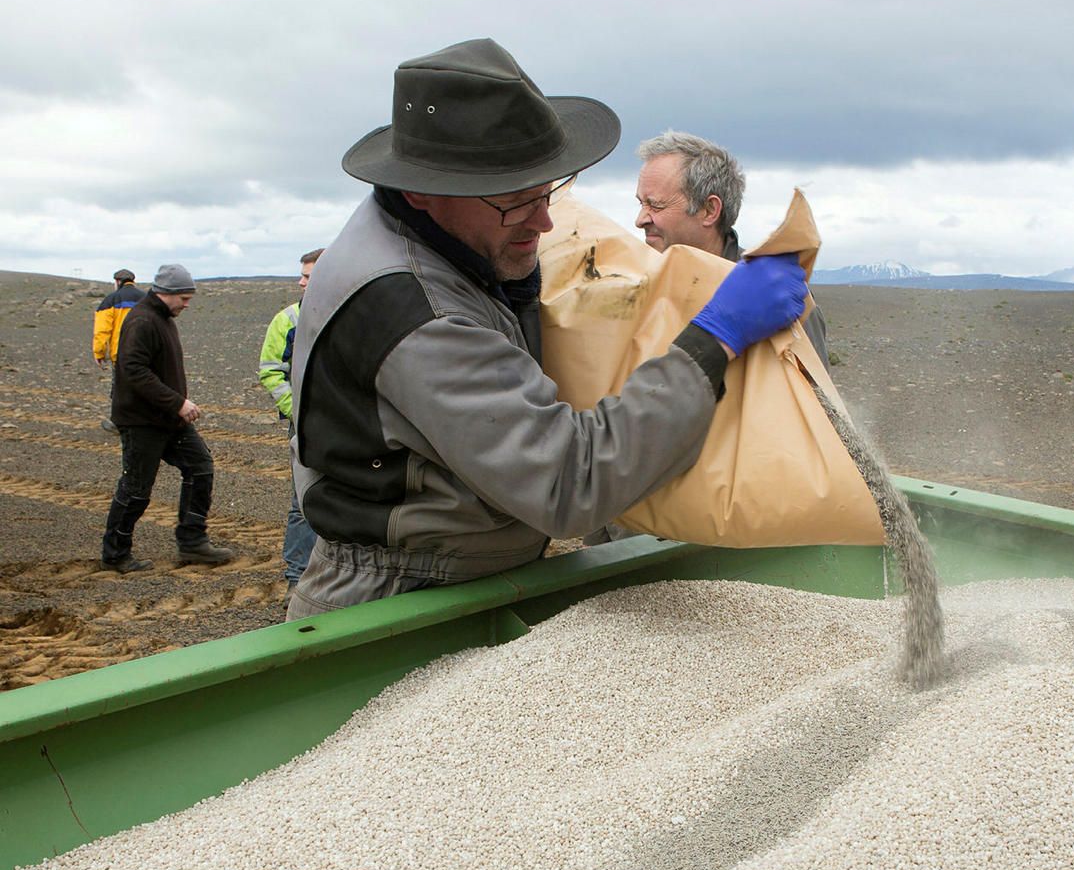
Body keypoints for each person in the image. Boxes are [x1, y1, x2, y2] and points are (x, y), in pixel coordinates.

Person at [286, 38, 808, 618]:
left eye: (547, 192)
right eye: (516, 202)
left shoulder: (449, 239)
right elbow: (569, 483)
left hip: (465, 577)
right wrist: (714, 339)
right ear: (424, 190)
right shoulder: (414, 310)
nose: (544, 221)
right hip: (398, 600)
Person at [634, 130, 830, 368]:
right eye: (641, 203)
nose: (640, 219)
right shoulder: (635, 285)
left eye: (655, 205)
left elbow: (815, 397)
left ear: (709, 210)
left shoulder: (775, 293)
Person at [100, 264, 235, 573]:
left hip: (167, 420)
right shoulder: (143, 320)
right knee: (135, 489)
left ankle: (192, 541)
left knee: (200, 468)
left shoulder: (162, 317)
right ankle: (115, 554)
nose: (187, 305)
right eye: (184, 299)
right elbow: (133, 370)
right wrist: (177, 403)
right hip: (142, 421)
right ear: (166, 293)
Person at [258, 248, 323, 596]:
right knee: (303, 501)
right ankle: (298, 579)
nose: (300, 282)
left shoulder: (357, 314)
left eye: (308, 276)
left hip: (353, 428)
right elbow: (270, 371)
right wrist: (300, 412)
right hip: (307, 426)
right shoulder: (288, 320)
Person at [92, 268, 144, 432]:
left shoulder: (110, 300)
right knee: (145, 385)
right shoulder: (146, 299)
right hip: (146, 351)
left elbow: (102, 330)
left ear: (117, 282)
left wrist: (99, 352)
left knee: (121, 388)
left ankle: (119, 422)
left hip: (122, 353)